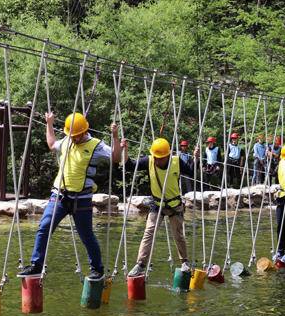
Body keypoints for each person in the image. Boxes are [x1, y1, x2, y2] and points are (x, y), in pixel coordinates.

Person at [19, 112, 121, 279]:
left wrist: (115, 137)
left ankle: (97, 269)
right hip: (59, 195)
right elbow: (52, 144)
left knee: (86, 235)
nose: (73, 138)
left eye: (76, 135)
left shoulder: (96, 145)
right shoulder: (67, 140)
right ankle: (36, 265)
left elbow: (116, 158)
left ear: (83, 132)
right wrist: (49, 124)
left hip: (81, 199)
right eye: (71, 135)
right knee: (44, 227)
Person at [124, 138, 199, 277]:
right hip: (157, 205)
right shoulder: (149, 160)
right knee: (148, 233)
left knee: (178, 235)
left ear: (167, 156)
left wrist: (196, 159)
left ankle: (184, 262)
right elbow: (130, 166)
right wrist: (125, 150)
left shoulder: (176, 162)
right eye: (155, 157)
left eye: (160, 158)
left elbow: (192, 173)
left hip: (174, 205)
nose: (157, 160)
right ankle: (140, 264)